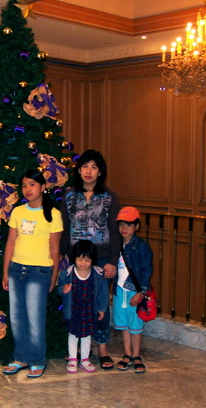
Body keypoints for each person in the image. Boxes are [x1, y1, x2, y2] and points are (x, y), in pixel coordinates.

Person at [59, 149, 121, 370]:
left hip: (102, 258)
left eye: (94, 167)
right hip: (75, 260)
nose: (89, 171)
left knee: (100, 302)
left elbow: (115, 231)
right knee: (75, 301)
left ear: (100, 172)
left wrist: (113, 261)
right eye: (85, 166)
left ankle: (102, 348)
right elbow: (64, 231)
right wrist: (60, 255)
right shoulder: (69, 197)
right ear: (79, 169)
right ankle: (76, 349)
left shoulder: (109, 197)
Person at [2, 169, 63, 379]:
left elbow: (55, 249)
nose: (27, 189)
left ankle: (37, 360)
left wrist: (54, 276)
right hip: (16, 269)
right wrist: (5, 272)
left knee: (35, 318)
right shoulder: (18, 212)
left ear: (42, 187)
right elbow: (10, 242)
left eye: (32, 185)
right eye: (24, 185)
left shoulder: (53, 214)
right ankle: (21, 357)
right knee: (17, 318)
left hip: (39, 271)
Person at [57, 240, 108, 373]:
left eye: (87, 260)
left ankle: (85, 359)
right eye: (80, 259)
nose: (83, 263)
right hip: (73, 309)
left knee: (87, 335)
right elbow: (59, 288)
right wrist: (63, 289)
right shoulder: (67, 273)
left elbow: (103, 292)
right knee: (73, 334)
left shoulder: (97, 274)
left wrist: (101, 308)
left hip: (89, 309)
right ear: (74, 258)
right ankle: (73, 358)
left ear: (92, 260)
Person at [113, 206, 153, 374]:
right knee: (123, 324)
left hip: (134, 290)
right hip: (119, 290)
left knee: (135, 324)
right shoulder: (116, 244)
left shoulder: (141, 246)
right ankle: (127, 354)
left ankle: (136, 355)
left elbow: (146, 270)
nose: (124, 228)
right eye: (121, 224)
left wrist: (140, 292)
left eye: (129, 224)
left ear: (136, 226)